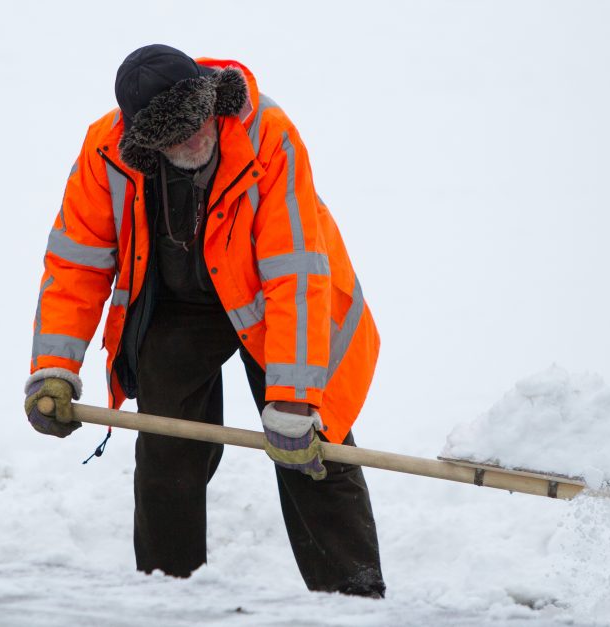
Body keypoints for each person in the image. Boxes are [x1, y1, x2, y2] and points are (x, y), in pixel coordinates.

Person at [24, 44, 384, 597]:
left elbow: (295, 274)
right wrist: (53, 368)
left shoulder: (269, 135)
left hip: (274, 300)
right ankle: (168, 592)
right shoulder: (105, 152)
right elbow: (77, 263)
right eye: (175, 139)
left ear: (210, 102)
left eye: (198, 126)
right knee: (166, 448)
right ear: (144, 144)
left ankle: (355, 598)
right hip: (180, 303)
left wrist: (292, 399)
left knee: (314, 449)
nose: (195, 142)